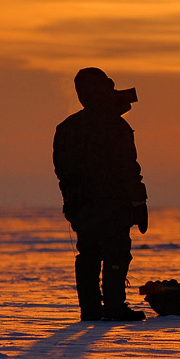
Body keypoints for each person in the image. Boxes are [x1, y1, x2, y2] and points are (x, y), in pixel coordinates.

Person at [53, 67, 149, 321]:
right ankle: (114, 307)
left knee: (90, 254)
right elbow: (129, 168)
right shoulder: (115, 127)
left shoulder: (68, 128)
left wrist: (73, 200)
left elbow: (62, 170)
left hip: (83, 206)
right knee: (115, 253)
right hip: (109, 206)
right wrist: (138, 201)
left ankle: (92, 309)